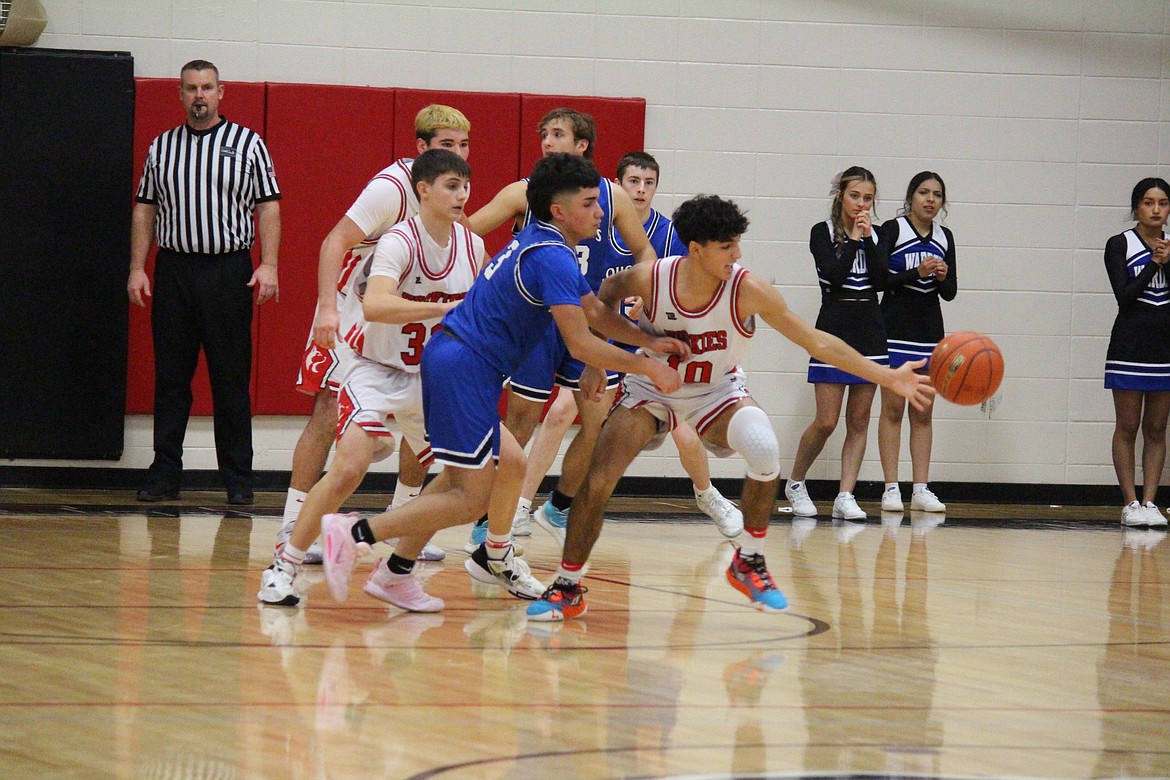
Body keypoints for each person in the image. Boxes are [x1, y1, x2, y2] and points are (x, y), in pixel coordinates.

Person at [524, 195, 933, 621]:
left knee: (763, 445)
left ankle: (750, 560)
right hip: (651, 388)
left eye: (738, 243)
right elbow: (605, 295)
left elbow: (817, 342)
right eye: (726, 246)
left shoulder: (747, 289)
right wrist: (596, 361)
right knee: (599, 478)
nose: (737, 254)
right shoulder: (650, 278)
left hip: (716, 393)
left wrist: (886, 376)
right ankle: (568, 586)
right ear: (695, 249)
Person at [317, 153, 690, 606]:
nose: (601, 213)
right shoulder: (551, 256)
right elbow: (581, 344)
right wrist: (650, 367)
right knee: (471, 496)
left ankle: (448, 563)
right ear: (560, 210)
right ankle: (353, 531)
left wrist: (649, 343)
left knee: (509, 465)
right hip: (463, 368)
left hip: (467, 366)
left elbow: (594, 313)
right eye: (591, 204)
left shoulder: (549, 243)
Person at [258, 149, 487, 608]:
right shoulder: (398, 240)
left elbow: (476, 315)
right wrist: (442, 308)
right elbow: (375, 306)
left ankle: (398, 573)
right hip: (375, 370)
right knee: (348, 468)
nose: (462, 194)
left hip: (426, 376)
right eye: (450, 185)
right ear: (423, 190)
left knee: (464, 483)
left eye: (465, 185)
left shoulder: (473, 247)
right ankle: (281, 569)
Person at [514, 151, 743, 539]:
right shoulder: (585, 230)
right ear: (617, 185)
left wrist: (653, 315)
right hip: (602, 338)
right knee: (559, 416)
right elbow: (596, 306)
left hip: (651, 339)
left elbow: (683, 288)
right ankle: (525, 506)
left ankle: (707, 494)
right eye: (633, 181)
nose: (640, 189)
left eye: (648, 182)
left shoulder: (669, 233)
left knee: (682, 428)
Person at [465, 109, 659, 550]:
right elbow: (466, 234)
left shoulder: (612, 197)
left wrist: (644, 288)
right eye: (545, 135)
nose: (548, 142)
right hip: (539, 322)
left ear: (582, 144)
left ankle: (561, 504)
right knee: (521, 419)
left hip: (590, 316)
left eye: (558, 134)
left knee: (597, 425)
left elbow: (645, 250)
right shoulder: (523, 192)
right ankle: (489, 517)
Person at [129, 60, 280, 505]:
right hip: (174, 271)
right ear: (180, 94)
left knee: (230, 379)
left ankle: (238, 479)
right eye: (191, 88)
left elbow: (269, 207)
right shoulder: (162, 147)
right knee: (171, 379)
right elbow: (144, 209)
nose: (199, 95)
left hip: (228, 270)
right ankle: (165, 473)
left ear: (221, 92)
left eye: (207, 88)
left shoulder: (248, 144)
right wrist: (137, 266)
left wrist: (268, 264)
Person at [784, 166, 888, 521]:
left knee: (859, 419)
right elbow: (836, 277)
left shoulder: (877, 234)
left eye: (868, 198)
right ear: (841, 195)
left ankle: (846, 494)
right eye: (855, 196)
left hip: (870, 330)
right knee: (827, 421)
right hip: (833, 327)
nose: (861, 204)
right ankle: (796, 482)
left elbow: (879, 280)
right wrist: (856, 240)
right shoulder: (822, 232)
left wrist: (869, 240)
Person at [876, 172, 956, 513]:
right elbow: (879, 280)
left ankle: (920, 488)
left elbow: (950, 293)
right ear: (910, 197)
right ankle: (891, 487)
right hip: (894, 329)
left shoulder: (944, 236)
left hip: (929, 334)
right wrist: (916, 273)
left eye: (937, 194)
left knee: (923, 413)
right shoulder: (894, 230)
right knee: (893, 410)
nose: (930, 199)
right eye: (924, 192)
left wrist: (941, 276)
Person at [1104, 177, 1170, 528]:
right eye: (1148, 202)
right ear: (1136, 207)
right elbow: (1124, 297)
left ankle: (1150, 502)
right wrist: (1155, 264)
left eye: (1162, 203)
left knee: (1157, 428)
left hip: (1164, 347)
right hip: (1129, 344)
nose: (1155, 209)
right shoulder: (1119, 244)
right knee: (1128, 425)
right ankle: (1129, 501)